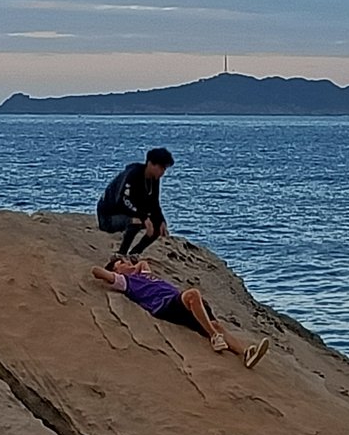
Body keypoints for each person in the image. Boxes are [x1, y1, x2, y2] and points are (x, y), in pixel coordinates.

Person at [91, 257, 270, 369]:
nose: (127, 263)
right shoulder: (124, 281)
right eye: (121, 263)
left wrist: (135, 266)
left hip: (177, 300)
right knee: (193, 294)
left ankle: (245, 354)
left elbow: (144, 262)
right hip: (165, 305)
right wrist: (118, 272)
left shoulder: (143, 275)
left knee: (215, 323)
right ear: (116, 270)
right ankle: (215, 337)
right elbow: (96, 271)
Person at [96, 147, 174, 257]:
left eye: (164, 169)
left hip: (127, 213)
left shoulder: (153, 180)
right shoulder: (132, 174)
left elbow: (154, 203)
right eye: (161, 168)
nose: (162, 172)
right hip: (108, 216)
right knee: (136, 221)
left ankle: (135, 254)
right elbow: (123, 201)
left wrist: (161, 220)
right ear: (150, 164)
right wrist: (143, 217)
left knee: (157, 226)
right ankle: (121, 254)